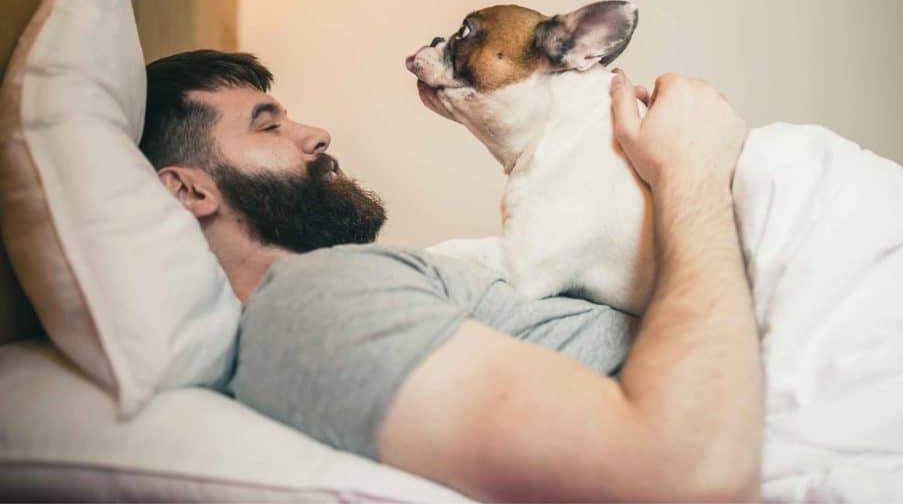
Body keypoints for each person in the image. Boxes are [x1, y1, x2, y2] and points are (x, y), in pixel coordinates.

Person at [141, 49, 762, 502]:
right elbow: (681, 474)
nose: (315, 133)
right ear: (189, 190)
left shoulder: (343, 286)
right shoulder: (313, 305)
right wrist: (690, 170)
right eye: (268, 124)